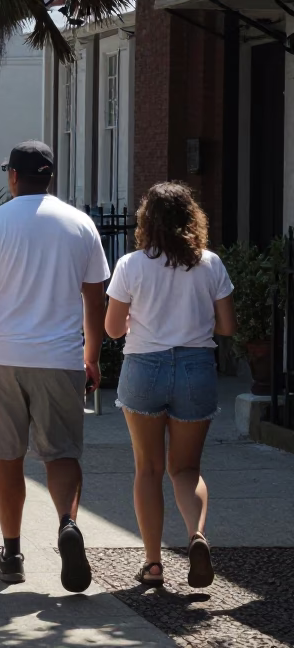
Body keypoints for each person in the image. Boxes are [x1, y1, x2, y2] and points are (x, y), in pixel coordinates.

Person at [0, 141, 109, 594]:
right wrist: (92, 356)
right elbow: (94, 296)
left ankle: (12, 553)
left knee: (8, 457)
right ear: (50, 177)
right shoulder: (80, 224)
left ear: (14, 177)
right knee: (62, 454)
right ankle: (67, 524)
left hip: (2, 356)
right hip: (60, 357)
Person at [104, 182, 236, 589]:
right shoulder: (210, 264)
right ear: (191, 217)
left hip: (144, 366)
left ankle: (153, 564)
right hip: (196, 366)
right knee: (186, 468)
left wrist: (137, 322)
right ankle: (196, 535)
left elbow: (112, 330)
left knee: (148, 468)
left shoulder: (131, 265)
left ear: (147, 219)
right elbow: (228, 326)